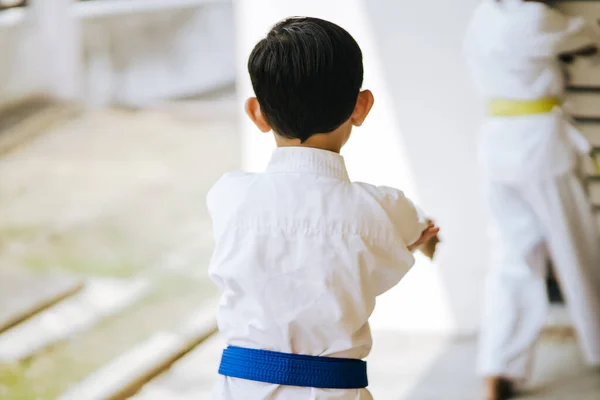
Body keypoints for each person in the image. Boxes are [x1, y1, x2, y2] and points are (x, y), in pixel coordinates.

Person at [207, 16, 439, 400]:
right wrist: (422, 240)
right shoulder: (383, 207)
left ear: (257, 113)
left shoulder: (227, 196)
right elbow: (419, 230)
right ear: (361, 107)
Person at [464, 1, 600, 399]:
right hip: (538, 144)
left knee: (511, 260)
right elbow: (587, 32)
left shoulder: (483, 15)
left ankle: (498, 366)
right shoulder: (534, 17)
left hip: (497, 144)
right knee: (576, 252)